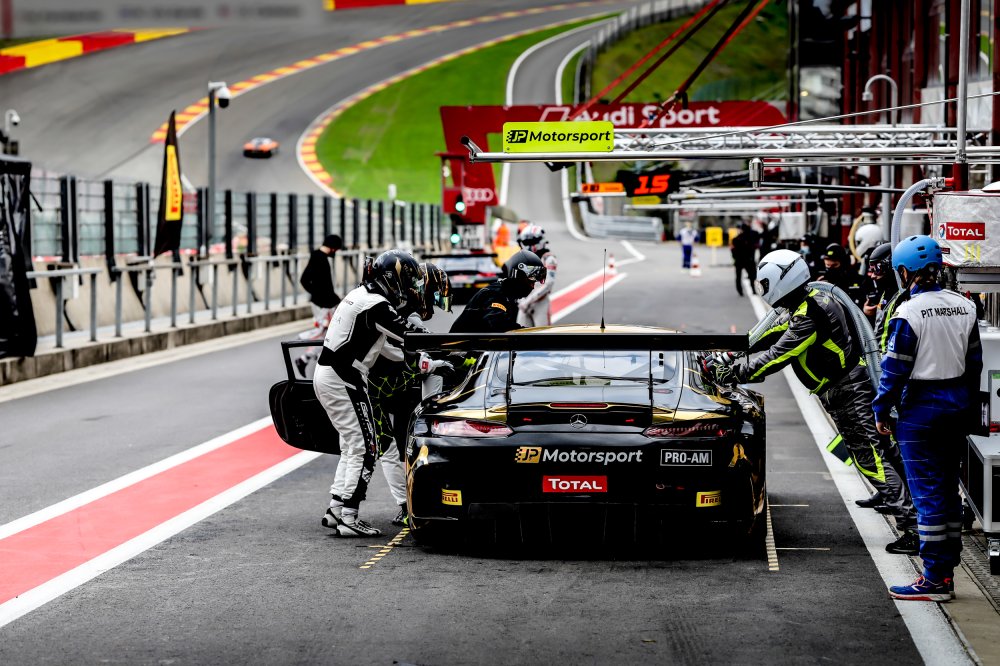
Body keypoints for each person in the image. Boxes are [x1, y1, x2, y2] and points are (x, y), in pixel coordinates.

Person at [707, 249, 916, 553]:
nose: (764, 289)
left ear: (780, 279)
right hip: (847, 388)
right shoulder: (809, 301)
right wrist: (731, 353)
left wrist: (733, 373)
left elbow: (778, 355)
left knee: (871, 458)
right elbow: (769, 333)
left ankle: (913, 526)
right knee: (884, 453)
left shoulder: (809, 314)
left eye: (765, 283)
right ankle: (917, 513)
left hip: (848, 391)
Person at [874, 235, 982, 601]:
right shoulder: (965, 306)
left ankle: (934, 578)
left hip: (921, 409)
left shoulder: (908, 313)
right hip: (958, 403)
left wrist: (881, 409)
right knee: (949, 490)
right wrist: (968, 407)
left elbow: (895, 371)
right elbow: (975, 364)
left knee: (927, 495)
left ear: (905, 272)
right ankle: (946, 569)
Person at [313, 249, 425, 537]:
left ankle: (337, 508)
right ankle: (349, 516)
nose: (409, 289)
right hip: (344, 378)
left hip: (331, 374)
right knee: (366, 448)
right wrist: (441, 347)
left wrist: (421, 359)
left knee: (352, 446)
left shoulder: (360, 296)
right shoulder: (376, 305)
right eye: (407, 281)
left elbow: (387, 347)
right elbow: (409, 337)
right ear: (393, 279)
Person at [367, 262, 453, 527]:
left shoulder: (393, 306)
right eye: (433, 295)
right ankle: (405, 504)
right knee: (387, 448)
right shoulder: (400, 313)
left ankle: (404, 504)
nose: (434, 305)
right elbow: (415, 351)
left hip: (387, 385)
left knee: (387, 448)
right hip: (377, 386)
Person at [450, 250, 546, 333]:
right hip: (460, 347)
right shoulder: (494, 294)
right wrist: (531, 335)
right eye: (530, 281)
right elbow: (499, 325)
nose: (532, 286)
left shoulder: (508, 296)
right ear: (518, 276)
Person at [296, 234, 343, 377]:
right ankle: (304, 340)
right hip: (324, 305)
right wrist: (321, 296)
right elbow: (321, 286)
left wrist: (318, 295)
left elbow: (307, 281)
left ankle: (308, 359)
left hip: (323, 303)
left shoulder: (317, 256)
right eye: (336, 249)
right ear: (333, 247)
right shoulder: (320, 259)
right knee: (326, 333)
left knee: (327, 334)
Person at [515, 225, 558, 327]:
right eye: (526, 242)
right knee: (519, 334)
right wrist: (521, 300)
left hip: (540, 303)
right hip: (524, 304)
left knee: (543, 334)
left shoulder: (549, 259)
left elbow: (548, 284)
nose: (527, 245)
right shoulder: (523, 258)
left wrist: (528, 301)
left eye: (530, 241)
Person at [819, 242, 866, 308]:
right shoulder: (821, 280)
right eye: (828, 265)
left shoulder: (857, 280)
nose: (831, 269)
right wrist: (819, 289)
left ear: (844, 263)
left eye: (835, 265)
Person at [730, 221, 759, 297]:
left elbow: (732, 250)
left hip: (739, 260)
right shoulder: (751, 239)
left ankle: (740, 291)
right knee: (752, 276)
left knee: (738, 276)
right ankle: (753, 290)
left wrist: (734, 257)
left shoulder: (736, 239)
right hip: (748, 260)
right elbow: (754, 248)